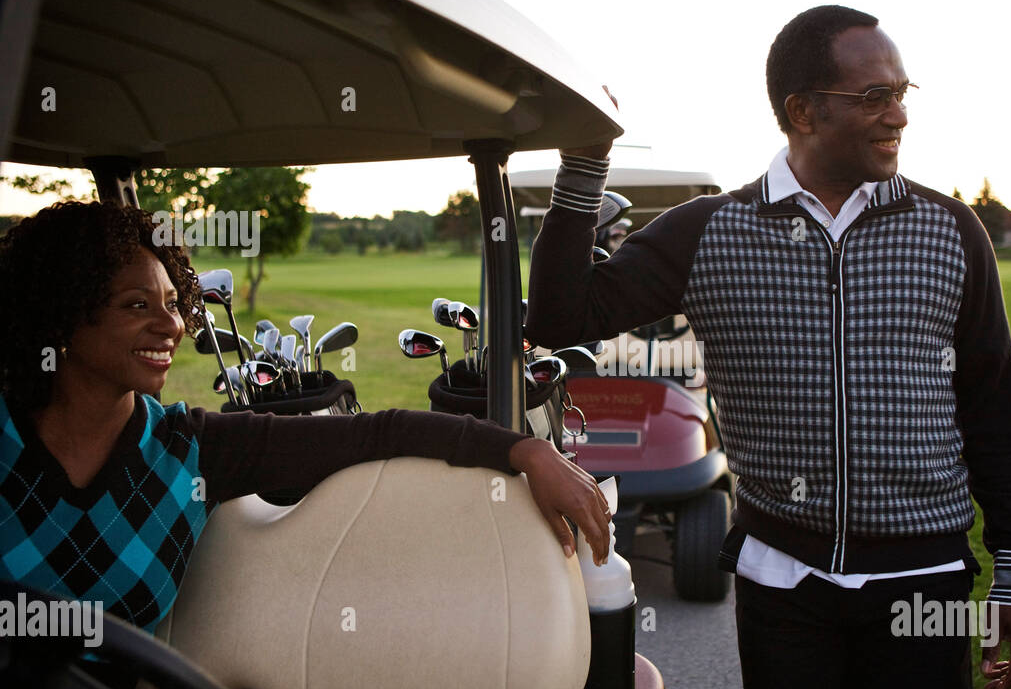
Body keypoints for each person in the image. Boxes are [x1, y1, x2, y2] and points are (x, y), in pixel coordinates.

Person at [525, 5, 1011, 689]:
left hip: (922, 573)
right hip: (781, 578)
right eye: (874, 96)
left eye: (903, 92)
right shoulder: (709, 231)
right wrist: (583, 168)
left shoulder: (951, 230)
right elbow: (562, 318)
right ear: (803, 110)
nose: (898, 114)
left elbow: (993, 404)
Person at [0, 201, 610, 636]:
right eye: (138, 306)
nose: (174, 326)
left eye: (173, 304)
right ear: (61, 315)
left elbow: (380, 432)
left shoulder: (192, 450)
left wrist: (526, 451)